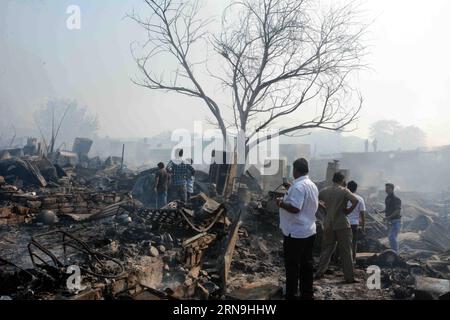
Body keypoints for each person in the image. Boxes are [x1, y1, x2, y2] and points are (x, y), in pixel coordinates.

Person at [276, 158, 319, 300]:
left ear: (295, 170)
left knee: (292, 265)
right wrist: (290, 189)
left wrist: (281, 203)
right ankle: (307, 293)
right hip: (309, 231)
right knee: (307, 264)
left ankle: (292, 294)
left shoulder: (298, 187)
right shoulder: (311, 185)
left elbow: (295, 208)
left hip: (295, 233)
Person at [315, 172, 359, 283]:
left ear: (333, 179)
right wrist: (348, 211)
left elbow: (315, 199)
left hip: (328, 223)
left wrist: (324, 208)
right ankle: (349, 277)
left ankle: (319, 272)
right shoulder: (344, 191)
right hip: (342, 224)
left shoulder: (325, 190)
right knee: (346, 250)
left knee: (327, 249)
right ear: (343, 180)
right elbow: (355, 201)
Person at [346, 181, 366, 262]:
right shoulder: (360, 199)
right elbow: (362, 214)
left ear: (347, 187)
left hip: (344, 223)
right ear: (356, 188)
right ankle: (353, 259)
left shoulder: (344, 197)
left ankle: (339, 259)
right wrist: (363, 226)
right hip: (354, 224)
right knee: (354, 243)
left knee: (342, 242)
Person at [379, 183, 402, 252]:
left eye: (388, 188)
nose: (386, 190)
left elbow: (397, 211)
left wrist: (388, 217)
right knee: (391, 237)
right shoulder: (387, 198)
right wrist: (380, 211)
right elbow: (388, 209)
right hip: (390, 222)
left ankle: (395, 253)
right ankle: (393, 251)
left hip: (396, 221)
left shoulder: (396, 199)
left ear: (392, 189)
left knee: (392, 237)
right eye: (386, 188)